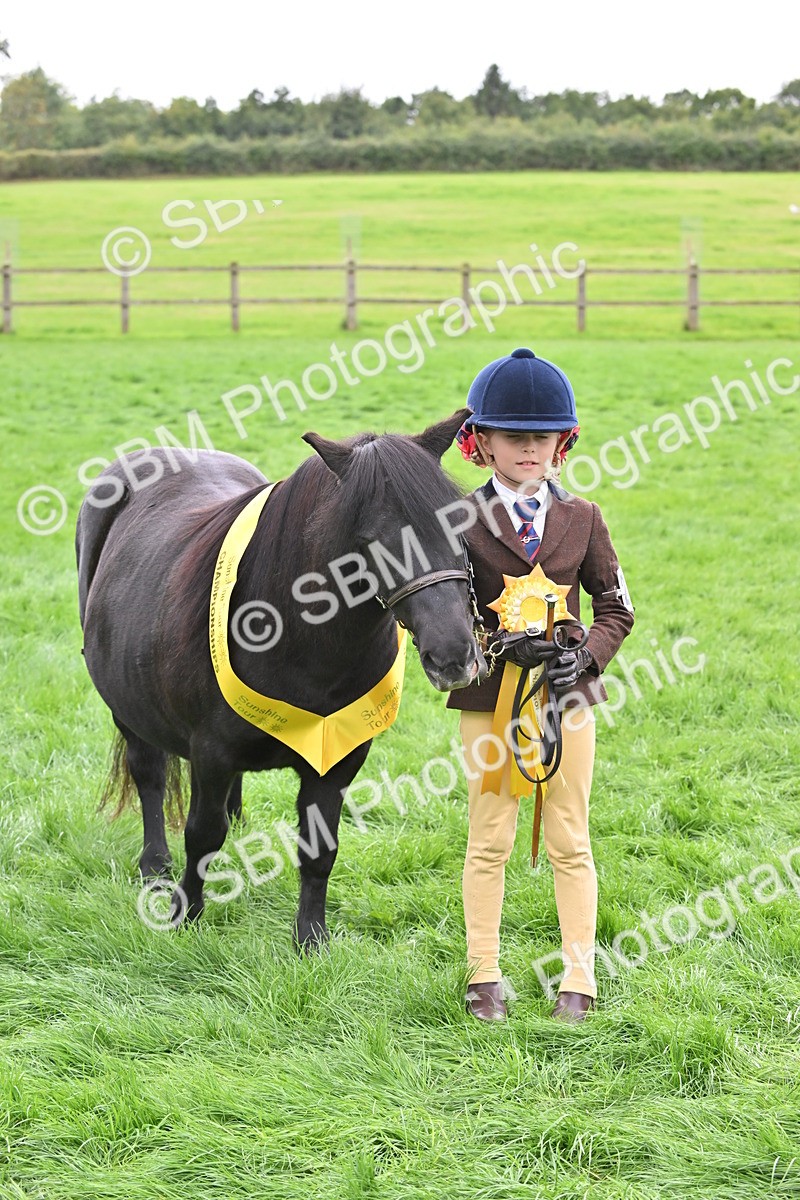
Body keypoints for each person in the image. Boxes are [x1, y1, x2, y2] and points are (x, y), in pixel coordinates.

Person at [447, 347, 634, 1022]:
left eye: (542, 437)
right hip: (490, 699)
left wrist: (583, 656)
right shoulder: (460, 523)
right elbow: (440, 622)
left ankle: (578, 980)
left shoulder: (584, 519)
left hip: (567, 700)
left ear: (563, 441)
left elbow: (618, 609)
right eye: (514, 437)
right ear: (483, 443)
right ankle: (483, 975)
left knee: (570, 837)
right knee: (489, 836)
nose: (530, 448)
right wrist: (495, 644)